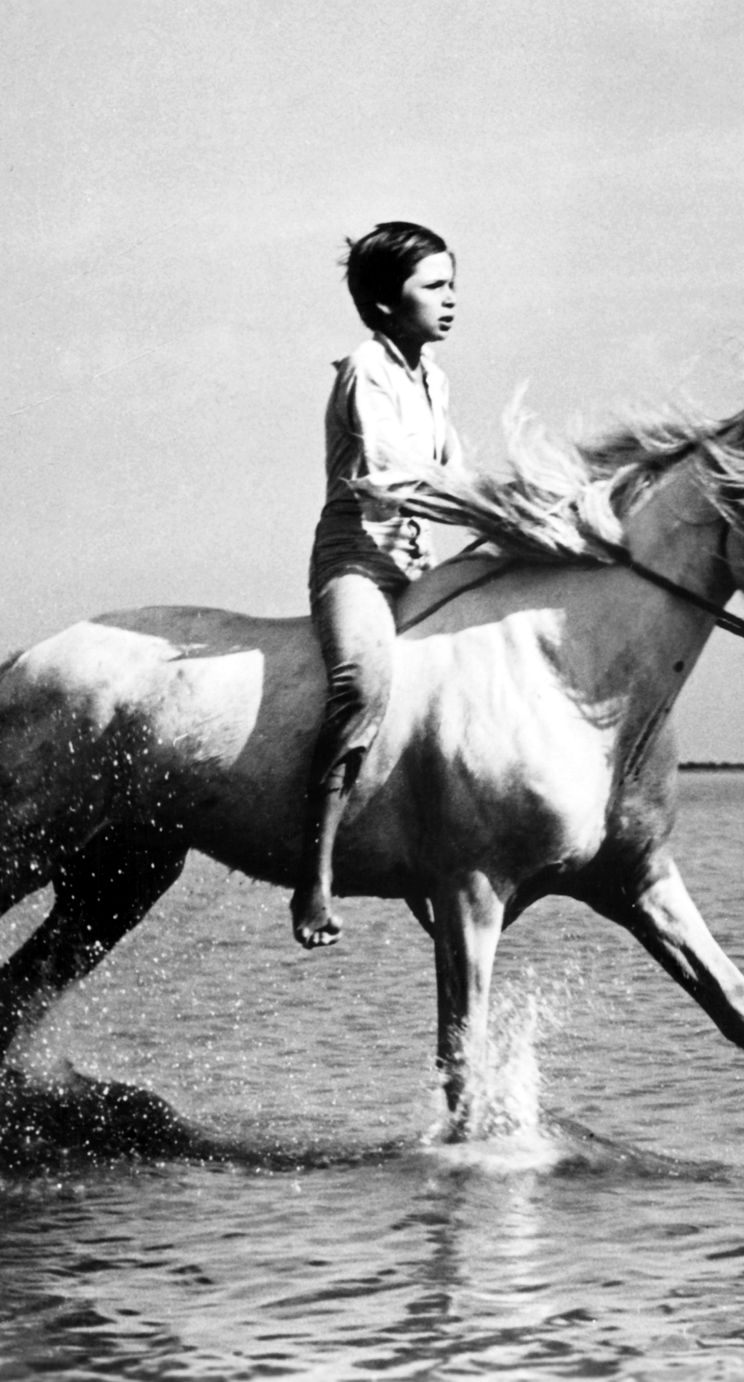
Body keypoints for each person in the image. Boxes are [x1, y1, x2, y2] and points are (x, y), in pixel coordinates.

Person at [295, 221, 463, 949]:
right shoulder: (366, 368)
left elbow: (456, 471)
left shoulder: (434, 376)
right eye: (434, 286)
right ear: (386, 305)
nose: (451, 299)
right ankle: (315, 874)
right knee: (363, 685)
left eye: (453, 283)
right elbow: (392, 478)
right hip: (355, 563)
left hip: (413, 565)